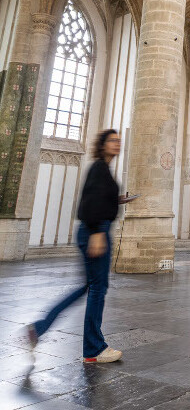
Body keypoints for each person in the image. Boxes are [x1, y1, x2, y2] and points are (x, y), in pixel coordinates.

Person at [27, 129, 133, 363]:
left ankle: (39, 328)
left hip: (95, 229)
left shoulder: (103, 170)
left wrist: (116, 201)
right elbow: (89, 203)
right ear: (102, 144)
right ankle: (93, 349)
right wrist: (97, 232)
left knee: (87, 288)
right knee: (98, 290)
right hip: (96, 230)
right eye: (112, 140)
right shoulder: (98, 168)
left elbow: (97, 198)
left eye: (118, 140)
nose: (117, 143)